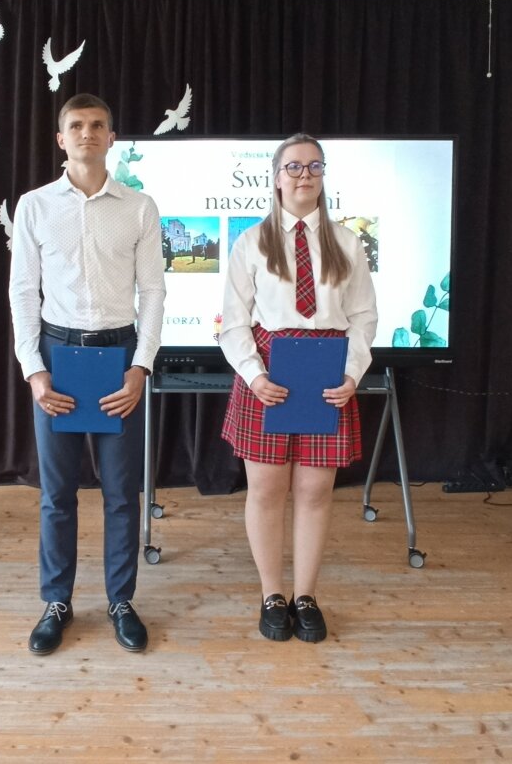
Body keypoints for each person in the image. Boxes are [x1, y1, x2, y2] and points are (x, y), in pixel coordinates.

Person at [9, 93, 166, 656]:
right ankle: (57, 601)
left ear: (111, 137)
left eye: (98, 125)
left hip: (118, 357)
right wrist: (34, 371)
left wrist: (141, 366)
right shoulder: (35, 206)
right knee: (57, 494)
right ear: (61, 138)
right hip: (58, 358)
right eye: (76, 125)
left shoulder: (139, 207)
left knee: (122, 494)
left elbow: (153, 292)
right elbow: (23, 292)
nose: (87, 133)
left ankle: (121, 600)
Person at [218, 134, 378, 643]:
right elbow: (234, 322)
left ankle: (305, 596)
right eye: (294, 166)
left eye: (314, 166)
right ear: (276, 177)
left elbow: (364, 317)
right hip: (269, 374)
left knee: (314, 492)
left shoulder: (347, 242)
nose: (304, 175)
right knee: (267, 490)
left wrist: (352, 374)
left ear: (323, 175)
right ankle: (272, 595)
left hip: (327, 374)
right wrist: (255, 375)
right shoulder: (251, 242)